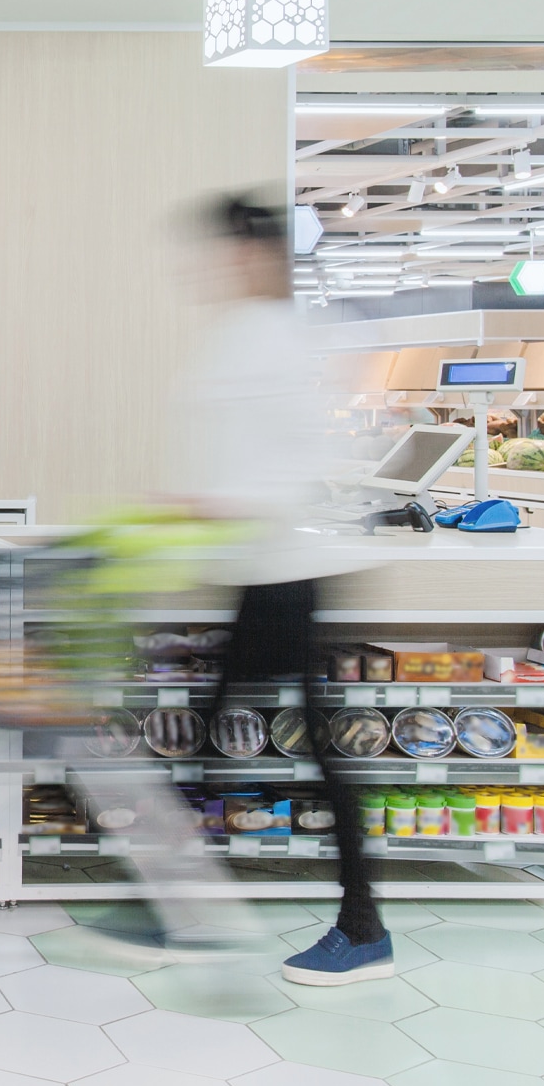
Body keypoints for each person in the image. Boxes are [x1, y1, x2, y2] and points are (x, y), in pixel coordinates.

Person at [175, 195, 392, 986]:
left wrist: (219, 503)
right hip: (256, 569)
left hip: (288, 572)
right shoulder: (245, 334)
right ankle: (177, 908)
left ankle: (362, 927)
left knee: (320, 751)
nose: (212, 267)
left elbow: (297, 459)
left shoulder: (287, 340)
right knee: (209, 739)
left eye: (227, 252)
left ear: (259, 255)